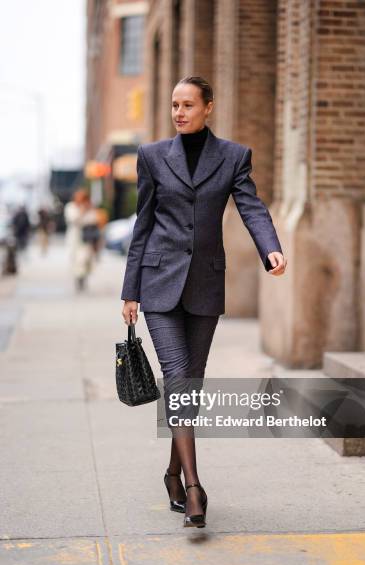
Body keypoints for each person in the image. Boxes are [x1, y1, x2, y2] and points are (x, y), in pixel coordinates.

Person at [121, 76, 287, 529]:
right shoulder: (152, 156)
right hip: (158, 286)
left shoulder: (233, 156)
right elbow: (143, 224)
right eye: (174, 104)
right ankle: (194, 486)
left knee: (190, 383)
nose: (179, 112)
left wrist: (269, 246)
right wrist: (130, 290)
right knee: (178, 377)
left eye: (188, 104)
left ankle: (172, 473)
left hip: (206, 286)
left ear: (208, 107)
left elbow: (251, 206)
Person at [64, 189, 100, 292]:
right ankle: (78, 280)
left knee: (86, 260)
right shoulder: (71, 207)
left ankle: (83, 279)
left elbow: (94, 220)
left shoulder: (90, 208)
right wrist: (82, 211)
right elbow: (73, 219)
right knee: (77, 260)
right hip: (75, 238)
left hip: (87, 238)